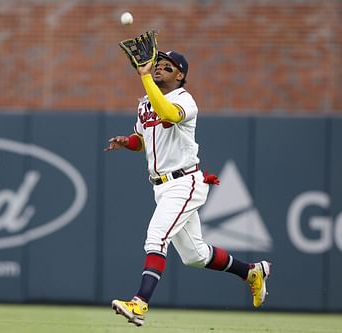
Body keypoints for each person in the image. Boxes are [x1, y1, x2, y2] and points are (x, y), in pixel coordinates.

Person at [104, 50, 271, 327]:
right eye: (156, 66)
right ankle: (252, 272)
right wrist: (127, 142)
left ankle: (140, 303)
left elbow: (168, 113)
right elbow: (142, 139)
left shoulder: (184, 100)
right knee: (196, 256)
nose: (158, 69)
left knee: (156, 237)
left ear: (180, 75)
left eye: (166, 68)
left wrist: (144, 77)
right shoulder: (146, 102)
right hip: (162, 187)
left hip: (185, 182)